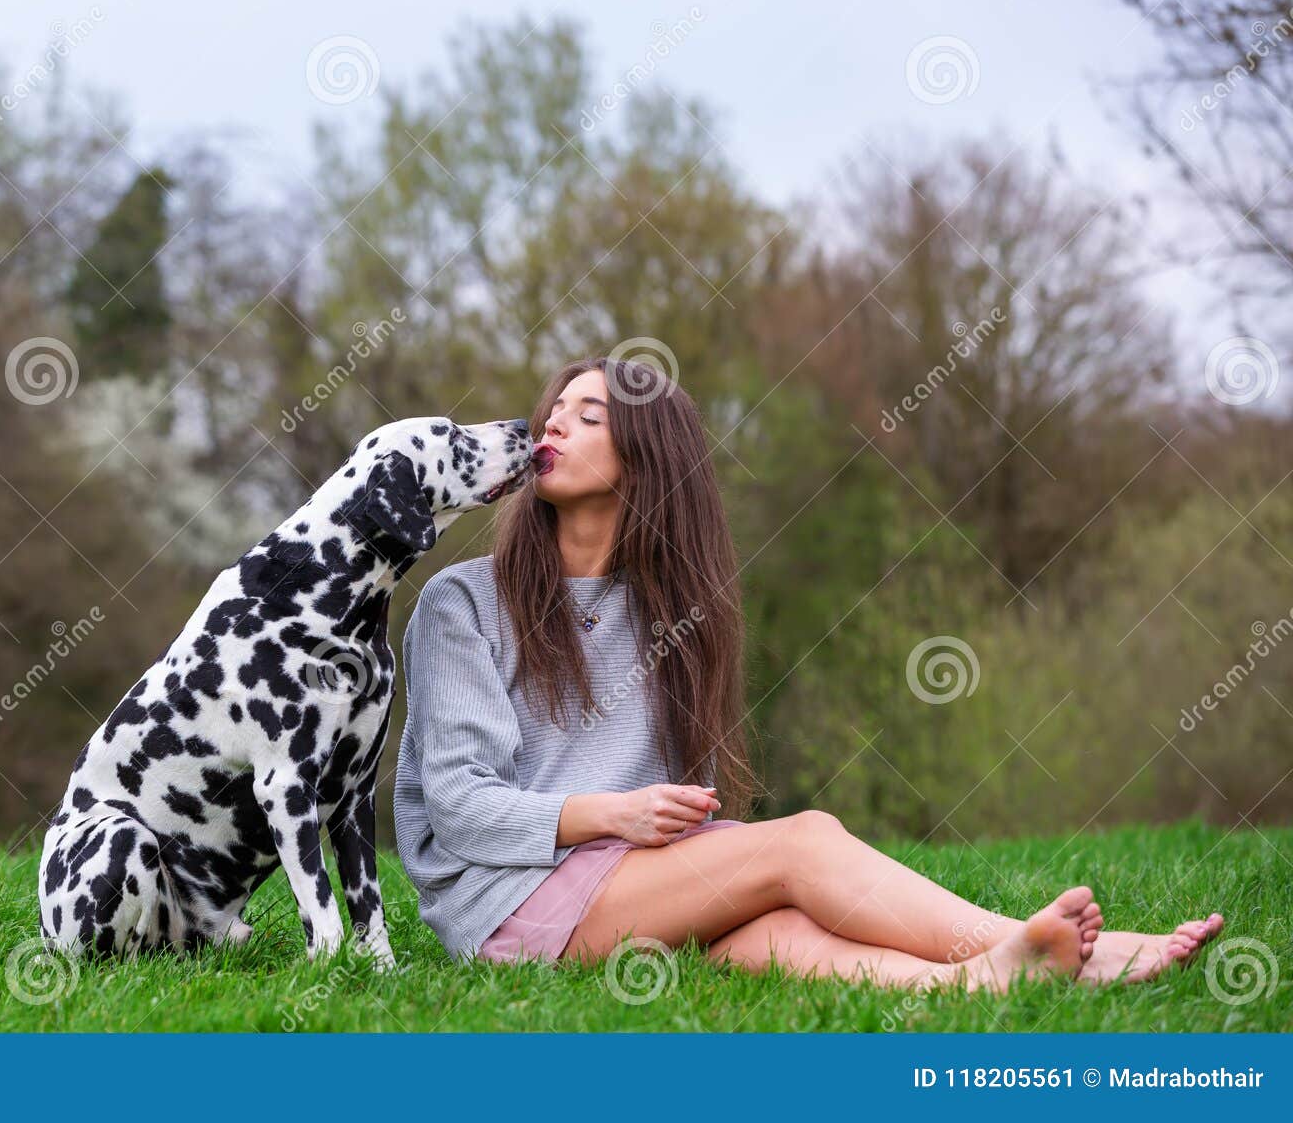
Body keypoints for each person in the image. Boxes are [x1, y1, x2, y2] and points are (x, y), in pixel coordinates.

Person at [392, 356, 1224, 989]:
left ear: (646, 459)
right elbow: (459, 810)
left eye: (590, 415)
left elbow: (680, 804)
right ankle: (1032, 941)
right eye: (554, 413)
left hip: (623, 885)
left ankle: (977, 978)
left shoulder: (671, 613)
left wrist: (659, 826)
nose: (555, 426)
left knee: (780, 921)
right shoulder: (462, 603)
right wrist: (614, 812)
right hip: (505, 902)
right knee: (802, 842)